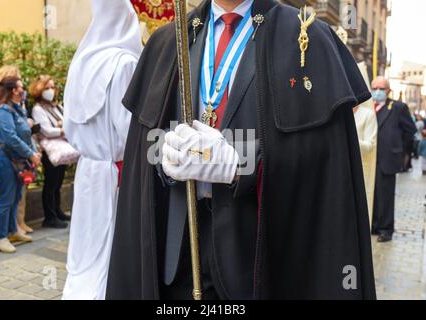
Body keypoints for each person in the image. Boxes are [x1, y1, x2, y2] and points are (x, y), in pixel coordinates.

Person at [107, 0, 376, 299]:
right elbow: (144, 155)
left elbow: (324, 166)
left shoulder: (308, 38)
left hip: (259, 260)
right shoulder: (169, 40)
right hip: (177, 260)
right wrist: (167, 156)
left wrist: (240, 163)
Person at [62, 0, 142, 299]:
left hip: (87, 168)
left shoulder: (82, 60)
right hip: (115, 169)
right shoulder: (124, 63)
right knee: (109, 245)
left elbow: (70, 122)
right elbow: (129, 129)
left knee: (86, 240)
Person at [0, 77, 41, 253]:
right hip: (3, 156)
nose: (23, 89)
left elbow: (25, 134)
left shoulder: (17, 109)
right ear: (13, 90)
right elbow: (10, 138)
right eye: (20, 86)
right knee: (6, 197)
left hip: (17, 158)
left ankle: (12, 231)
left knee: (16, 196)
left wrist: (33, 152)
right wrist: (31, 153)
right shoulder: (2, 111)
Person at [371, 76, 417, 242]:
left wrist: (397, 149)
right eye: (374, 88)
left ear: (388, 91)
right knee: (373, 194)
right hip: (370, 159)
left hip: (387, 158)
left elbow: (410, 131)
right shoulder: (369, 107)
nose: (377, 92)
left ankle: (386, 229)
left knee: (385, 196)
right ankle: (374, 225)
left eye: (381, 89)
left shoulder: (397, 107)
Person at [31, 75, 70, 229]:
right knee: (51, 183)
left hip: (62, 148)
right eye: (47, 88)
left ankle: (57, 210)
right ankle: (49, 216)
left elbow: (67, 121)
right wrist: (62, 129)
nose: (51, 91)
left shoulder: (57, 106)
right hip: (50, 150)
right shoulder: (37, 108)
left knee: (58, 181)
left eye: (53, 88)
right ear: (40, 90)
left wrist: (61, 128)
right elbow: (46, 130)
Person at [354, 62, 378, 224]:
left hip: (361, 168)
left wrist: (353, 141)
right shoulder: (340, 114)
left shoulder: (367, 115)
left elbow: (370, 145)